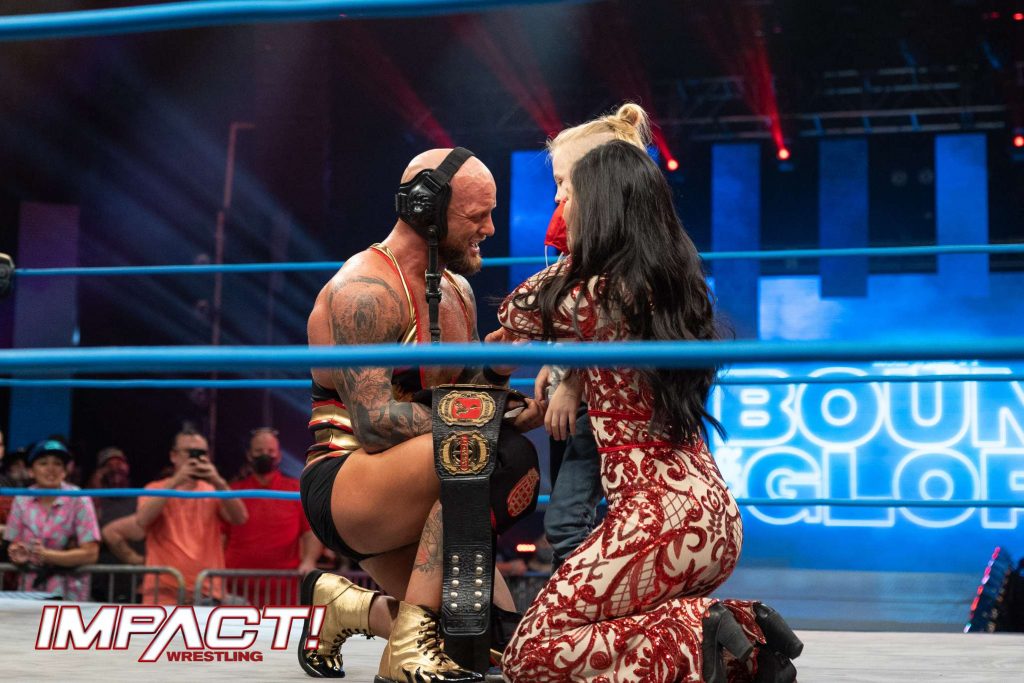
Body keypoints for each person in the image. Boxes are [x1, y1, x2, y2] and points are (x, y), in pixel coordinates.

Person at [497, 141, 802, 682]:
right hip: (713, 515)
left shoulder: (596, 294)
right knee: (614, 626)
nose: (560, 204)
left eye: (570, 193)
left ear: (601, 207)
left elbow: (516, 310)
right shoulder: (670, 283)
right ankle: (743, 645)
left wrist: (574, 248)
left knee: (530, 654)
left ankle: (705, 628)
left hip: (658, 520)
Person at [299, 148, 543, 682]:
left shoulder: (457, 291)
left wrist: (498, 374)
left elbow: (466, 401)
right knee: (504, 454)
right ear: (426, 210)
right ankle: (408, 648)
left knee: (488, 640)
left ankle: (345, 606)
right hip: (349, 481)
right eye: (477, 216)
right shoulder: (365, 289)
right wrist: (492, 420)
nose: (490, 229)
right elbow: (374, 422)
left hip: (426, 480)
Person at [534, 103, 654, 571]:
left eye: (564, 182)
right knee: (571, 515)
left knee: (568, 521)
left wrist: (572, 382)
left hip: (600, 400)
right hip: (581, 395)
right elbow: (578, 314)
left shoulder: (620, 247)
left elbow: (609, 326)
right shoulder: (595, 237)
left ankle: (586, 607)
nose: (557, 196)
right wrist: (554, 361)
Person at [136, 427, 248, 605]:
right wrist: (175, 481)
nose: (196, 459)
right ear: (174, 456)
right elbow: (143, 520)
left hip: (206, 592)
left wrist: (218, 481)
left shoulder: (213, 491)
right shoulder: (154, 488)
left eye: (201, 453)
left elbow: (240, 518)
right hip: (163, 593)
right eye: (190, 453)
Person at [223, 427, 321, 606]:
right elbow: (221, 536)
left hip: (284, 590)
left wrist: (309, 560)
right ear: (249, 455)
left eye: (270, 451)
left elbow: (311, 531)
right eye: (259, 451)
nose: (265, 455)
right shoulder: (234, 491)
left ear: (279, 455)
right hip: (236, 588)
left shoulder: (295, 490)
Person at [2, 439, 100, 600]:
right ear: (31, 471)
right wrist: (17, 554)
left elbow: (91, 554)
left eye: (57, 464)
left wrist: (47, 555)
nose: (51, 469)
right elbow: (12, 545)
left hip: (70, 595)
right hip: (29, 594)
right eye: (43, 463)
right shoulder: (21, 499)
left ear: (65, 471)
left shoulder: (79, 498)